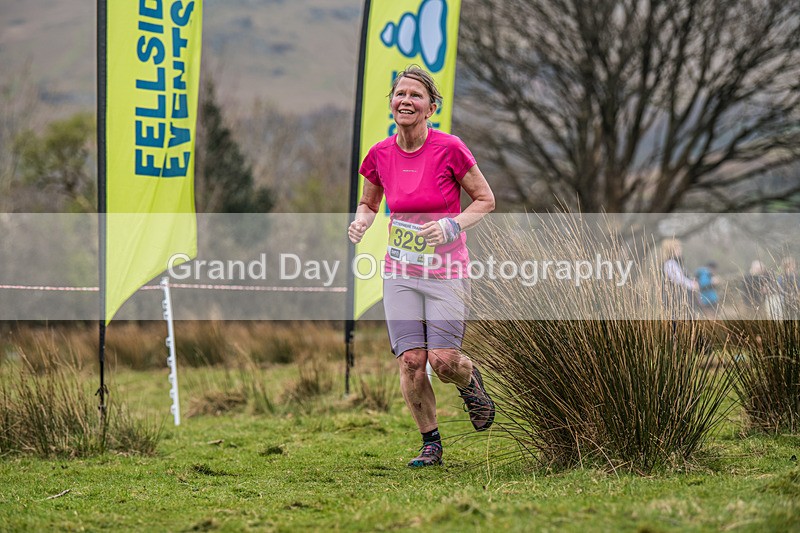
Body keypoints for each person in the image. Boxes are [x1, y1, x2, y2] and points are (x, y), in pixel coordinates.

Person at [348, 66, 496, 468]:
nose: (406, 101)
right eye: (399, 94)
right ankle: (430, 443)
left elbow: (485, 199)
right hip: (401, 271)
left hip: (447, 271)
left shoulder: (450, 148)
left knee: (443, 361)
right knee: (412, 360)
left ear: (431, 106)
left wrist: (452, 224)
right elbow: (370, 202)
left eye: (415, 95)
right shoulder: (380, 154)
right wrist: (363, 220)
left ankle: (472, 385)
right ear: (392, 104)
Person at [661, 238, 699, 319]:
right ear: (671, 250)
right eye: (677, 248)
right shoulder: (670, 263)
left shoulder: (676, 263)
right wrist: (692, 285)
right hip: (676, 300)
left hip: (680, 299)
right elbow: (678, 279)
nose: (680, 250)